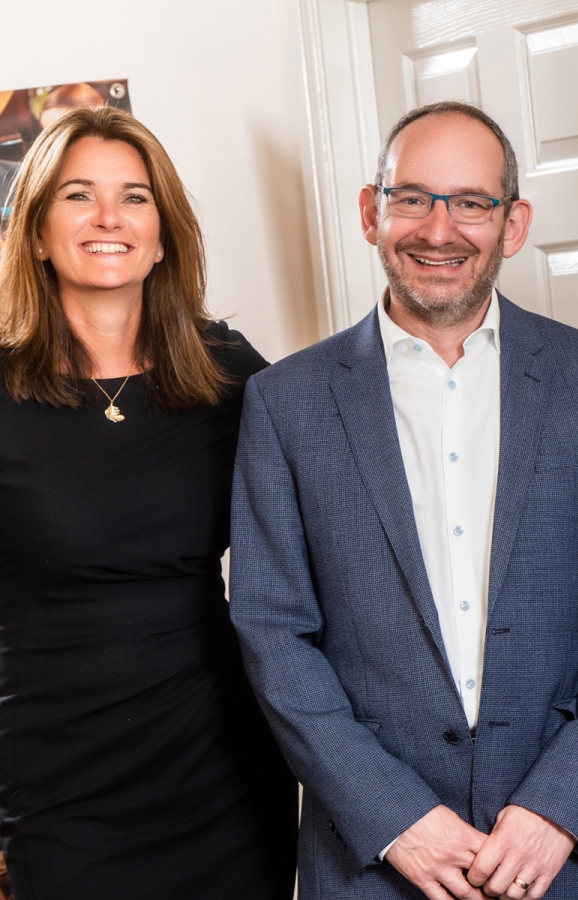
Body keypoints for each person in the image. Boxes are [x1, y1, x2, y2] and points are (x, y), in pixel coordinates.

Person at [229, 100, 578, 900]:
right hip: (374, 860)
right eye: (412, 198)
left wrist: (556, 809)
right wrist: (395, 817)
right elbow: (272, 630)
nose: (440, 229)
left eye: (471, 202)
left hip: (568, 857)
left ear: (515, 223)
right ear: (371, 212)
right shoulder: (283, 404)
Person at [0, 107, 297, 898]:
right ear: (34, 231)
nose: (108, 218)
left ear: (162, 233)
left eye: (134, 197)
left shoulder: (228, 373)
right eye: (77, 196)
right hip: (55, 786)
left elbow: (333, 526)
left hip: (224, 774)